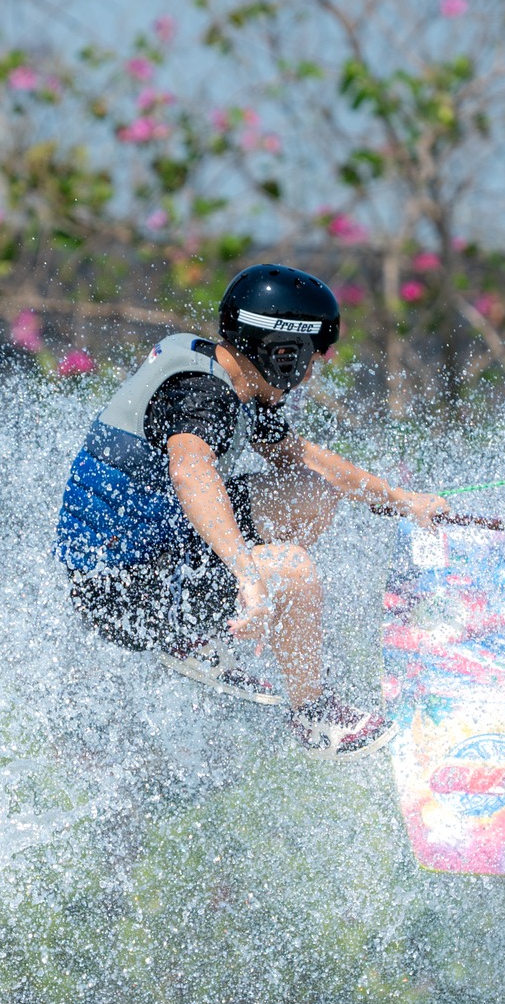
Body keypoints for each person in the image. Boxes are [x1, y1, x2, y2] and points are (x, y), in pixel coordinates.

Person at [55, 263, 451, 758]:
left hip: (155, 549)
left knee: (311, 493)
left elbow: (303, 458)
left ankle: (214, 627)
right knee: (293, 570)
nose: (310, 372)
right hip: (128, 595)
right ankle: (313, 715)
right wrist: (248, 574)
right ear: (282, 352)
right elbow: (191, 472)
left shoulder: (229, 372)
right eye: (310, 357)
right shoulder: (204, 396)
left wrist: (400, 501)